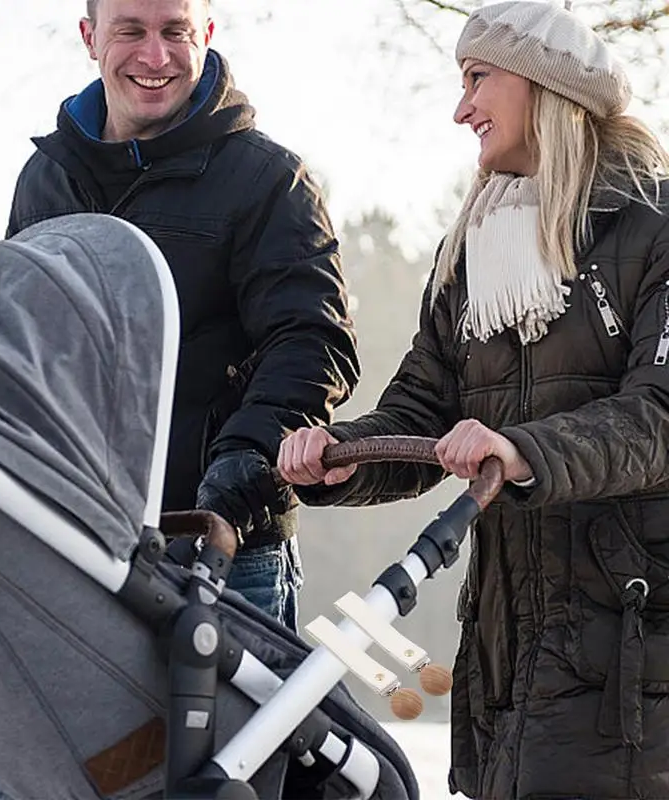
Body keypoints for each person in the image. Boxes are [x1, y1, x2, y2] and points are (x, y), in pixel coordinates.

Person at [278, 2, 669, 798]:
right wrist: (341, 457)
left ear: (544, 87)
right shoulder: (470, 252)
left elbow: (660, 416)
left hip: (630, 659)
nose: (461, 109)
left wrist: (524, 450)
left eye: (478, 78)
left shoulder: (653, 228)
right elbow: (424, 409)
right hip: (502, 653)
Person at [5, 0, 359, 631]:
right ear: (90, 37)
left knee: (232, 735)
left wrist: (247, 456)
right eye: (130, 32)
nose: (154, 56)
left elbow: (312, 339)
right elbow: (21, 345)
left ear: (207, 35)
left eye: (175, 32)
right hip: (74, 536)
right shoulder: (46, 178)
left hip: (224, 541)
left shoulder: (269, 180)